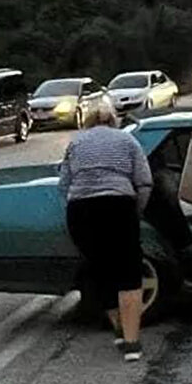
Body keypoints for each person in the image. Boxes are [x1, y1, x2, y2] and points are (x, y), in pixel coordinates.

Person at [58, 114, 152, 363]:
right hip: (118, 205)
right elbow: (144, 182)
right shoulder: (127, 140)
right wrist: (135, 212)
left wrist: (74, 207)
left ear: (88, 123)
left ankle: (119, 330)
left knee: (100, 269)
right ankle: (132, 344)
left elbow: (64, 184)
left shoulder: (76, 143)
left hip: (81, 210)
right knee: (129, 273)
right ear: (113, 122)